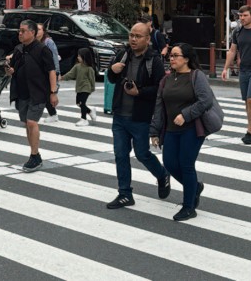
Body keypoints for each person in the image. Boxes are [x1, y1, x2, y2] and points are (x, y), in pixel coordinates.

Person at [106, 21, 170, 209]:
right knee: (120, 154)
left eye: (138, 36)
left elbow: (160, 89)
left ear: (148, 39)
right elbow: (111, 78)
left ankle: (162, 174)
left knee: (142, 154)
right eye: (131, 35)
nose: (133, 39)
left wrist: (139, 92)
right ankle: (124, 193)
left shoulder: (154, 60)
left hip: (141, 117)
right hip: (119, 115)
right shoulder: (122, 54)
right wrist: (112, 70)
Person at [150, 43, 213, 222]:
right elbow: (159, 106)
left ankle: (188, 207)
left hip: (191, 129)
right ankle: (195, 186)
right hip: (170, 129)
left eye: (176, 55)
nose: (172, 59)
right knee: (169, 164)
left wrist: (186, 115)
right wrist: (154, 131)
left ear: (186, 58)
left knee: (186, 164)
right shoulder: (167, 79)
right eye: (171, 55)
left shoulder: (196, 76)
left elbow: (205, 100)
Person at [5, 19, 57, 172]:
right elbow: (12, 68)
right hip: (22, 92)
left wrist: (53, 92)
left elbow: (51, 71)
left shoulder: (42, 50)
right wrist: (9, 70)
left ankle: (34, 156)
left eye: (23, 31)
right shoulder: (19, 49)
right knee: (27, 123)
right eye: (19, 31)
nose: (19, 34)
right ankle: (35, 154)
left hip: (38, 92)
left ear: (32, 33)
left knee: (32, 122)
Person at [221, 5, 251, 145]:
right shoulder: (237, 31)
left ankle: (250, 131)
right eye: (240, 16)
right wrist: (225, 68)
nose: (242, 18)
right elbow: (232, 50)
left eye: (245, 16)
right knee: (247, 101)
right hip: (243, 69)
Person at [61, 47, 97, 126]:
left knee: (82, 103)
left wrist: (92, 88)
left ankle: (84, 119)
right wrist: (63, 77)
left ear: (84, 57)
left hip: (86, 88)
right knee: (78, 103)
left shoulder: (89, 68)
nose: (78, 57)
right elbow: (71, 74)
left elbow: (92, 79)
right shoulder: (77, 66)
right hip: (79, 88)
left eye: (79, 56)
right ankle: (90, 111)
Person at [37, 22, 61, 124]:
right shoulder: (33, 42)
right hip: (39, 72)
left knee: (47, 93)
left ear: (43, 31)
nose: (37, 31)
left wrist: (57, 72)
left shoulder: (48, 42)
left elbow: (55, 57)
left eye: (39, 29)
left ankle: (53, 114)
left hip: (49, 71)